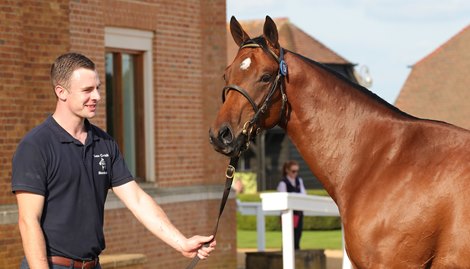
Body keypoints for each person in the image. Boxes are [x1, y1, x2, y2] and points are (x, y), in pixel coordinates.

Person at [11, 52, 216, 269]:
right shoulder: (35, 146)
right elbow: (28, 220)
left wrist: (181, 242)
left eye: (98, 88)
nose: (97, 96)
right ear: (61, 92)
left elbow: (137, 199)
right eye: (87, 90)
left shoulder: (104, 143)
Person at [276, 160, 307, 250]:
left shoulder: (299, 181)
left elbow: (304, 194)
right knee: (288, 237)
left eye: (297, 171)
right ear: (287, 170)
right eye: (293, 171)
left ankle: (296, 259)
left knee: (297, 236)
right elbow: (283, 199)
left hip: (298, 213)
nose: (295, 173)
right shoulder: (283, 183)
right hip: (287, 214)